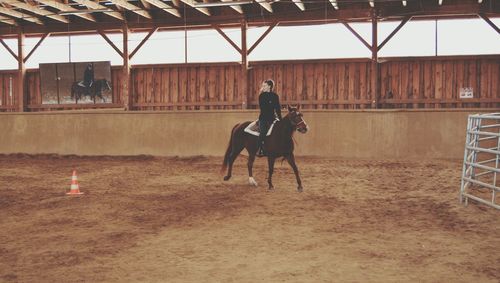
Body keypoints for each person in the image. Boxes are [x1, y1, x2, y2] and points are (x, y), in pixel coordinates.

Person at [257, 79, 282, 157]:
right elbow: (263, 108)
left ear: (269, 86)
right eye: (263, 86)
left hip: (273, 118)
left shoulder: (275, 96)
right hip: (264, 118)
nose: (263, 87)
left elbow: (278, 108)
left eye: (264, 85)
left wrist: (280, 119)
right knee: (263, 132)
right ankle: (260, 149)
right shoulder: (261, 96)